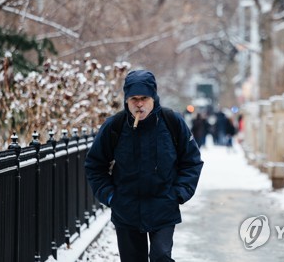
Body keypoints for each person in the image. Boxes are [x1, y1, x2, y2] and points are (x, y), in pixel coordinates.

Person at [85, 70, 203, 262]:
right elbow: (94, 165)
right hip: (127, 210)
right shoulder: (114, 126)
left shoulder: (171, 122)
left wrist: (179, 193)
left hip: (163, 206)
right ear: (126, 100)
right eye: (134, 99)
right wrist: (110, 196)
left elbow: (191, 161)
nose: (139, 104)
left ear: (153, 97)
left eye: (144, 98)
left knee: (161, 256)